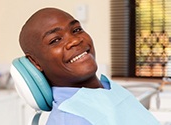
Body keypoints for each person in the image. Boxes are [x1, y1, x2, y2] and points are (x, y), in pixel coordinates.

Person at [19, 7, 160, 125]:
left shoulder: (109, 88)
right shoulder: (70, 119)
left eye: (76, 30)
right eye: (55, 40)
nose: (74, 41)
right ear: (35, 62)